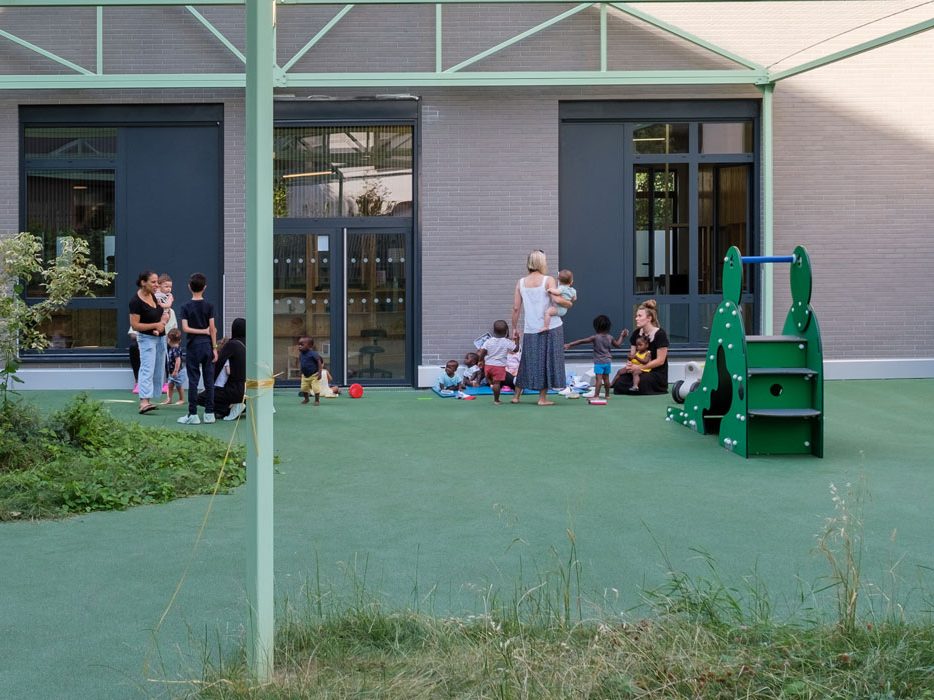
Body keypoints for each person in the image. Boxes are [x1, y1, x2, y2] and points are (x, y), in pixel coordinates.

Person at [511, 250, 569, 406]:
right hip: (551, 327)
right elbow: (557, 300)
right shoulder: (548, 280)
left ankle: (516, 396)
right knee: (547, 361)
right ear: (541, 263)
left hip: (531, 327)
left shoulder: (521, 282)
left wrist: (514, 328)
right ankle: (542, 398)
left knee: (527, 360)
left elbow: (516, 308)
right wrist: (569, 301)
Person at [177, 272, 217, 425]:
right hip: (207, 346)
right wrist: (214, 348)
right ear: (205, 287)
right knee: (209, 381)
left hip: (193, 346)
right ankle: (209, 413)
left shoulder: (185, 306)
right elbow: (212, 329)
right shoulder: (209, 306)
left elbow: (185, 328)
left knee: (193, 381)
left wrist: (202, 332)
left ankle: (193, 414)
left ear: (189, 287)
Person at [128, 270, 169, 414]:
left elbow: (160, 313)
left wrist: (164, 319)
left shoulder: (152, 295)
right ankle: (144, 402)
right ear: (143, 283)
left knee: (158, 369)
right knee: (147, 367)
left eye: (157, 282)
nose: (156, 285)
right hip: (146, 339)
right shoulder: (135, 302)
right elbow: (135, 326)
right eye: (153, 282)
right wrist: (155, 326)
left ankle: (149, 400)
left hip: (160, 338)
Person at [611, 299, 670, 395]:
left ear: (649, 318)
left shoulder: (660, 334)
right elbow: (632, 355)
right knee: (620, 383)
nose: (636, 318)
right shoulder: (636, 334)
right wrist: (629, 365)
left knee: (642, 383)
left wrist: (640, 367)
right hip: (637, 370)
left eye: (639, 316)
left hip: (655, 372)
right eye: (636, 316)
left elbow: (660, 360)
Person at [564, 314, 628, 402]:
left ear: (596, 326)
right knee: (606, 379)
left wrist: (570, 344)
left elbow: (581, 341)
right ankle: (607, 395)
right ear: (608, 326)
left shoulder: (595, 337)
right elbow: (618, 344)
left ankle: (596, 396)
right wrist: (622, 336)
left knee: (599, 379)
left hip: (599, 362)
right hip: (608, 361)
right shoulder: (610, 337)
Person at [198, 318, 246, 420]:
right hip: (248, 389)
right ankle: (233, 406)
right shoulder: (250, 345)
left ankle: (226, 409)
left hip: (233, 389)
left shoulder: (232, 344)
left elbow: (218, 363)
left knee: (199, 398)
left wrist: (210, 384)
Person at [478, 320, 519, 405]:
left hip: (488, 365)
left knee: (491, 380)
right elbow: (516, 349)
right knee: (497, 383)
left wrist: (480, 360)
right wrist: (517, 340)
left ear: (493, 331)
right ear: (506, 331)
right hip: (499, 366)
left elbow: (483, 351)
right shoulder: (507, 342)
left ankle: (491, 385)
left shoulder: (489, 341)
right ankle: (496, 400)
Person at [162, 328, 187, 405]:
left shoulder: (175, 349)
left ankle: (182, 399)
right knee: (170, 385)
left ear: (169, 340)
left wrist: (176, 371)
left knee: (179, 385)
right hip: (172, 372)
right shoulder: (172, 348)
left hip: (177, 372)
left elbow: (178, 360)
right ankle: (169, 399)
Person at [297, 336, 324, 405]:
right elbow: (301, 363)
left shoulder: (313, 354)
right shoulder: (301, 354)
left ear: (309, 346)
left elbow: (319, 362)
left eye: (302, 345)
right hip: (305, 376)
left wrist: (320, 373)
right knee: (304, 388)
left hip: (314, 375)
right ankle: (306, 399)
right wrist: (300, 371)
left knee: (315, 388)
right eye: (299, 344)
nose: (299, 346)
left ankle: (317, 400)